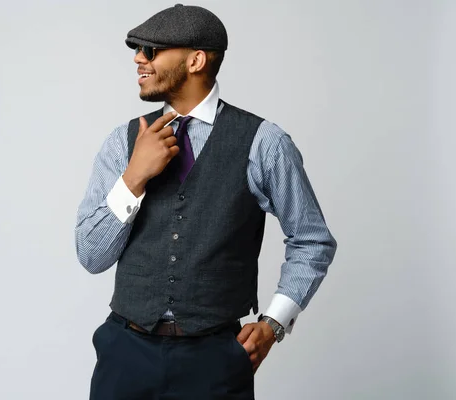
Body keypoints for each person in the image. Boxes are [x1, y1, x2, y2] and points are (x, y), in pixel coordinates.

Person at [75, 4, 337, 399]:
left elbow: (312, 240)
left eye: (150, 50)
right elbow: (91, 256)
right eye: (138, 49)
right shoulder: (122, 142)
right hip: (125, 354)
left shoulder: (263, 142)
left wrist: (274, 323)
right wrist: (134, 178)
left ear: (196, 59)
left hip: (214, 361)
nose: (138, 58)